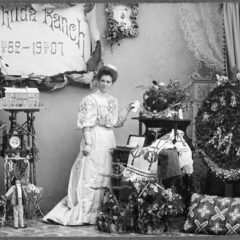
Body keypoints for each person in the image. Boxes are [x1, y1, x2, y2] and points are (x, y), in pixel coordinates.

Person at [43, 64, 133, 226]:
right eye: (103, 81)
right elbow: (86, 124)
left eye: (108, 82)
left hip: (108, 140)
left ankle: (102, 212)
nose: (105, 84)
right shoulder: (89, 100)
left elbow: (116, 122)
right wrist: (88, 143)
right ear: (97, 81)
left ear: (113, 83)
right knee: (91, 174)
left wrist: (127, 109)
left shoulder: (113, 100)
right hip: (95, 138)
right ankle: (85, 213)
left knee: (106, 173)